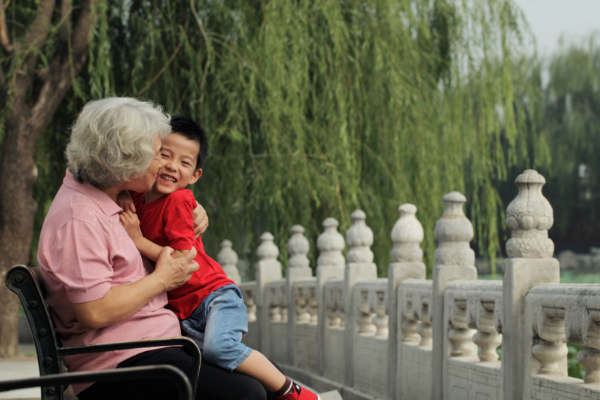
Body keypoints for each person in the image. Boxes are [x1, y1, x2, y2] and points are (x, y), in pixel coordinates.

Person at [37, 97, 282, 400]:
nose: (162, 164)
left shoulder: (105, 193)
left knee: (261, 383)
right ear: (126, 161)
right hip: (120, 365)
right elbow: (95, 311)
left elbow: (158, 204)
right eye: (156, 155)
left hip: (152, 347)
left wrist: (188, 205)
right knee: (246, 393)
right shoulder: (80, 220)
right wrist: (163, 279)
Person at [118, 117, 319, 400]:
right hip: (186, 309)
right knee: (218, 366)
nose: (172, 166)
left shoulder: (177, 201)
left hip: (213, 298)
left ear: (195, 175)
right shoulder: (138, 197)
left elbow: (183, 258)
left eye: (184, 163)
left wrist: (137, 240)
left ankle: (295, 393)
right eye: (164, 155)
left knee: (220, 349)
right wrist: (124, 193)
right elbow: (113, 180)